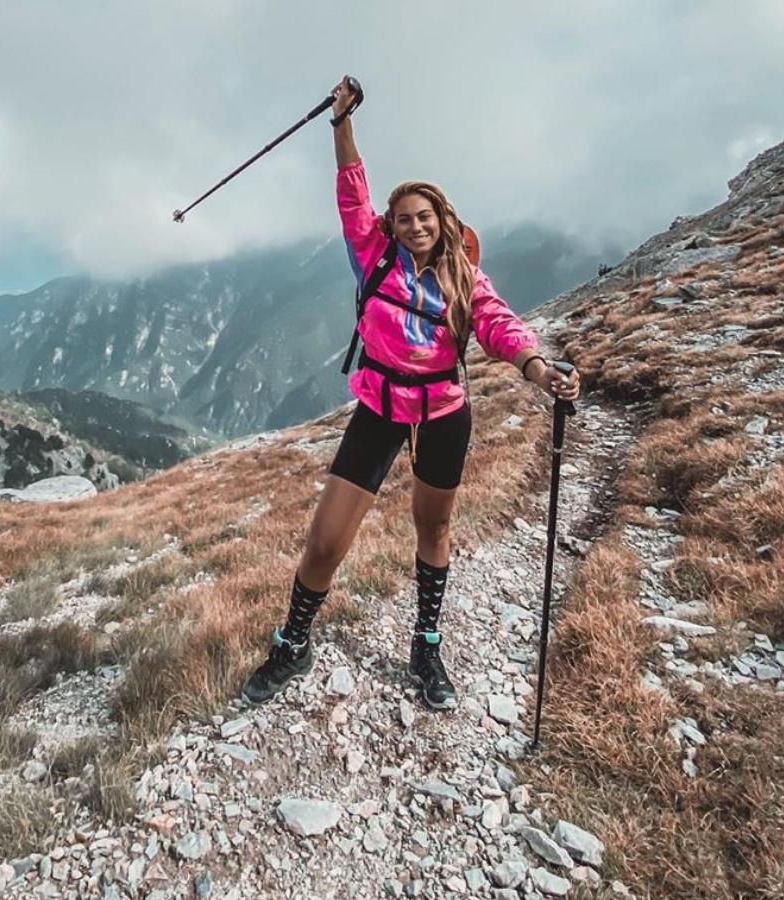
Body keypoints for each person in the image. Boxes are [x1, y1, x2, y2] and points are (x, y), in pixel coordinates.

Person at [240, 76, 581, 711]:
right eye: (404, 219)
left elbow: (499, 325)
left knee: (435, 526)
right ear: (391, 227)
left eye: (424, 216)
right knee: (326, 539)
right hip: (379, 407)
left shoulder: (464, 276)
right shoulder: (371, 253)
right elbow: (352, 193)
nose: (415, 225)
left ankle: (426, 643)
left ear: (442, 220)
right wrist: (341, 123)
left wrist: (537, 367)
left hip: (445, 410)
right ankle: (294, 641)